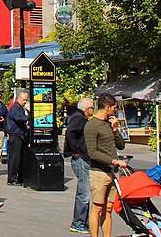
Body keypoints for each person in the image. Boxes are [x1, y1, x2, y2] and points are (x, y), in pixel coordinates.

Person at [85, 94, 127, 237]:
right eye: (114, 108)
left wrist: (115, 129)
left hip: (113, 173)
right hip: (99, 173)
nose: (115, 111)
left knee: (108, 208)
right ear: (107, 107)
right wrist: (113, 161)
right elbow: (92, 152)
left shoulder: (109, 124)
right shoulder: (91, 125)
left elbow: (121, 146)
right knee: (97, 208)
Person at [65, 97, 94, 235]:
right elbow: (70, 132)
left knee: (85, 192)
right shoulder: (79, 118)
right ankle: (78, 223)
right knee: (84, 193)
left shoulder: (80, 117)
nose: (93, 110)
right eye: (92, 108)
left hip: (82, 157)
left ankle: (83, 222)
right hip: (81, 159)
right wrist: (76, 151)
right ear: (87, 109)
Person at [5, 90, 30, 186]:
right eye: (24, 100)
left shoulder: (21, 108)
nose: (25, 102)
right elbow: (20, 118)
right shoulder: (15, 108)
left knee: (20, 157)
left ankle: (19, 177)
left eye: (26, 100)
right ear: (18, 99)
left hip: (20, 134)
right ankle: (12, 179)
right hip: (15, 135)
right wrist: (29, 116)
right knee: (14, 157)